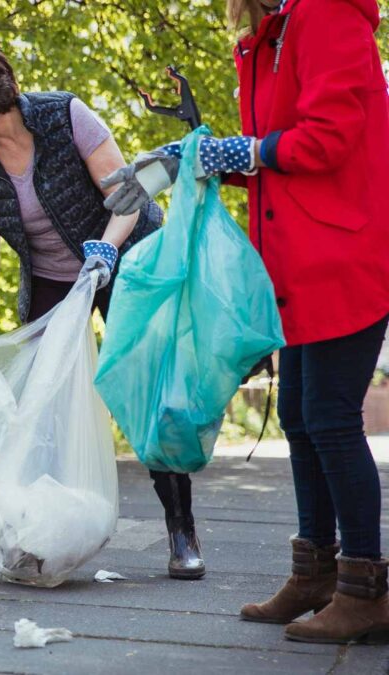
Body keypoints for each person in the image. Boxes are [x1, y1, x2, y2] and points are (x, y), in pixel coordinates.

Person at [103, 0, 389, 643]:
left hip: (344, 254)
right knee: (299, 416)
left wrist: (232, 151)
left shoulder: (326, 14)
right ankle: (315, 574)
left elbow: (327, 139)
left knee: (330, 417)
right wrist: (187, 157)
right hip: (298, 261)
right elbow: (276, 158)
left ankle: (365, 590)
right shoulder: (272, 33)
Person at [0, 44, 214, 580]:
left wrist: (105, 251)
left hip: (126, 258)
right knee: (38, 405)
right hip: (54, 281)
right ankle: (40, 532)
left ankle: (181, 528)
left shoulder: (65, 114)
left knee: (145, 394)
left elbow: (127, 196)